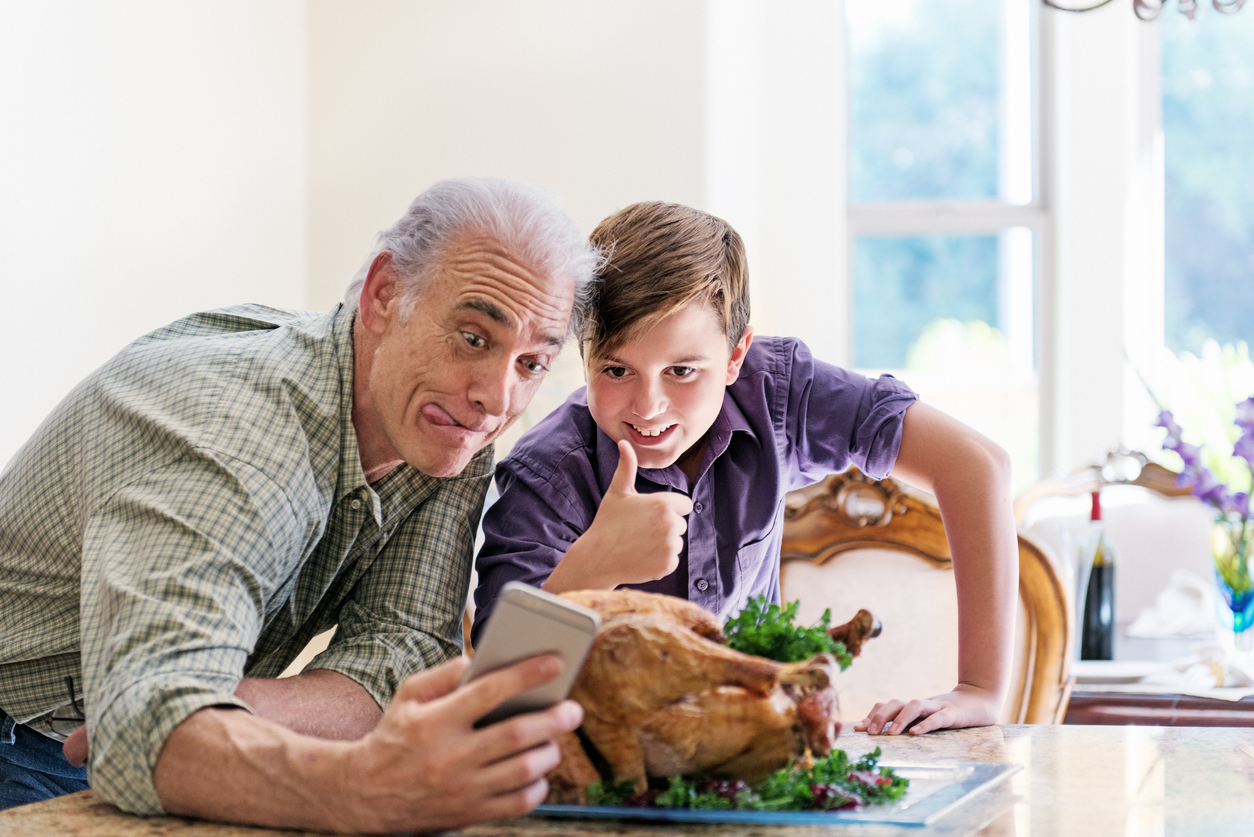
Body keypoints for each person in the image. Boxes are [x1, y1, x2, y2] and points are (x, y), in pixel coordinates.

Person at [0, 177, 604, 832]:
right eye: (473, 336)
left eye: (533, 362)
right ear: (382, 295)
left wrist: (224, 703)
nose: (498, 396)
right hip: (25, 740)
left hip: (167, 742)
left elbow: (403, 651)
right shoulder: (241, 435)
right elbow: (147, 734)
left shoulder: (445, 419)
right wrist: (369, 785)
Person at [474, 201, 1019, 737]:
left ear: (736, 356)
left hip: (763, 741)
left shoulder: (776, 392)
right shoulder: (547, 474)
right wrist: (594, 565)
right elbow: (499, 701)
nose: (648, 405)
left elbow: (976, 465)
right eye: (616, 369)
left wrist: (979, 688)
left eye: (683, 370)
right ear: (585, 352)